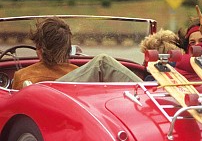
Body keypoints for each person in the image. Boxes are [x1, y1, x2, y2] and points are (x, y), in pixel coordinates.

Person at [12, 17, 142, 90]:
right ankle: (148, 90)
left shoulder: (22, 76)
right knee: (102, 61)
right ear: (67, 48)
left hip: (40, 121)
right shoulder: (82, 74)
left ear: (39, 48)